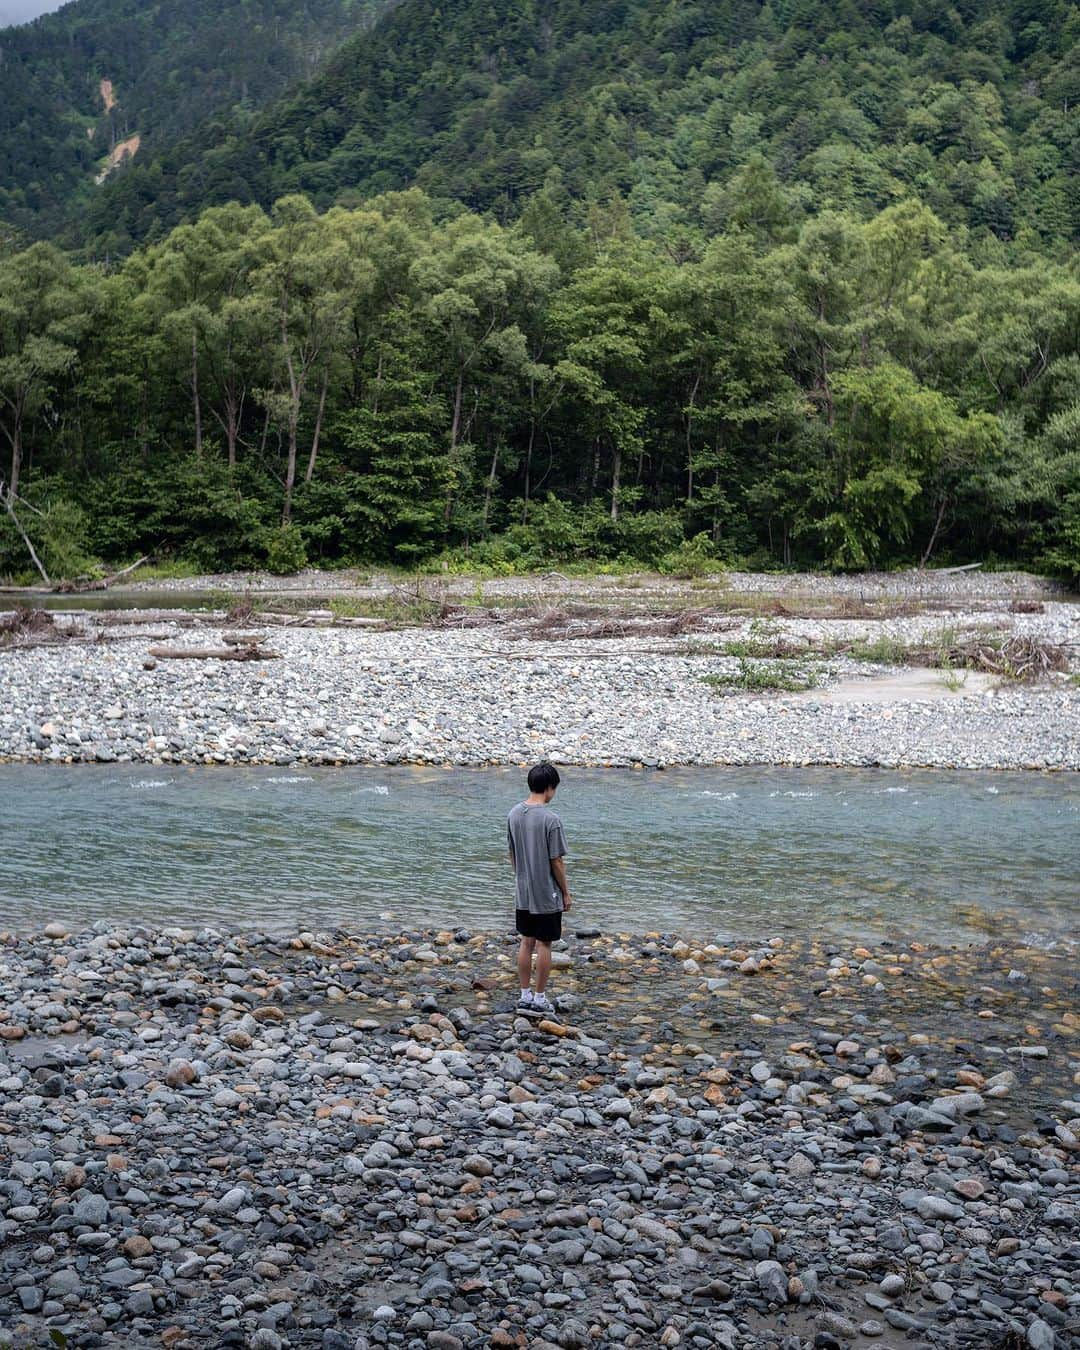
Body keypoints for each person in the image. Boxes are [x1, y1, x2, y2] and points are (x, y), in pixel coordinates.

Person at [507, 761, 572, 1015]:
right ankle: (539, 998)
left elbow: (512, 855)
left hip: (522, 891)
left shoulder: (513, 814)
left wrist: (522, 877)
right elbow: (556, 860)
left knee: (526, 942)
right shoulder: (551, 819)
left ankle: (523, 996)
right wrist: (565, 891)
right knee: (545, 944)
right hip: (547, 892)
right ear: (549, 788)